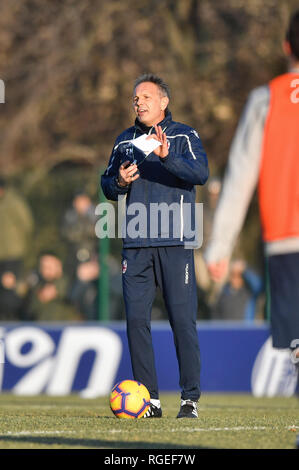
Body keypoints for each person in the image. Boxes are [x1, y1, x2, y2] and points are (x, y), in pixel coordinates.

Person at [101, 73, 209, 418]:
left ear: (163, 101)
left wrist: (167, 157)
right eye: (135, 97)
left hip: (176, 241)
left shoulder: (183, 135)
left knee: (182, 320)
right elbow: (107, 184)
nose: (139, 101)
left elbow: (200, 173)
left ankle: (189, 399)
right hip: (135, 245)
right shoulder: (124, 141)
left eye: (146, 96)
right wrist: (118, 181)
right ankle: (150, 400)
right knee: (136, 321)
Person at [205, 11, 299, 354]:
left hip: (287, 240)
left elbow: (240, 178)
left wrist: (220, 247)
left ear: (286, 46)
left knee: (297, 344)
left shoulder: (266, 99)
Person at [0, 177, 34, 317]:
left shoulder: (14, 202)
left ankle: (12, 318)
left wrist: (21, 244)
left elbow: (27, 224)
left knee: (11, 289)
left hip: (12, 255)